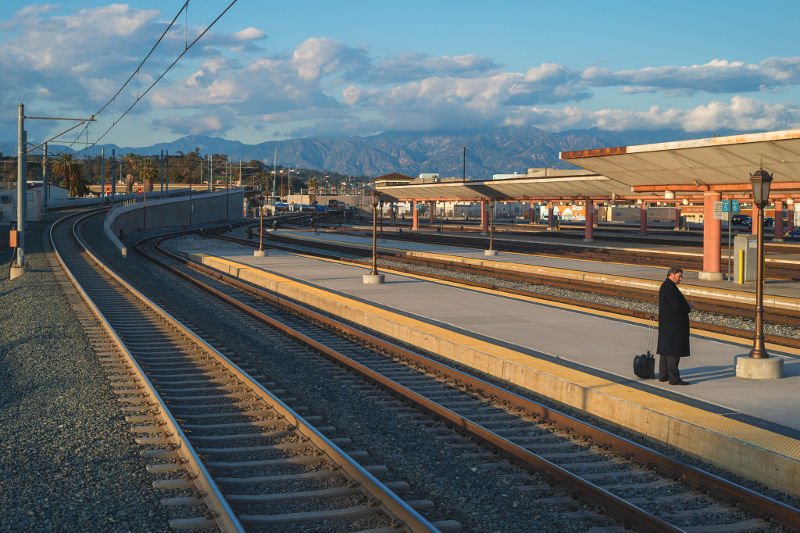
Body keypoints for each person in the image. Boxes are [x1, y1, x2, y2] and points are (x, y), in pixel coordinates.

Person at [657, 266, 692, 385]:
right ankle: (674, 378)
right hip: (674, 325)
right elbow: (676, 307)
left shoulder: (666, 286)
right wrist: (688, 307)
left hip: (667, 324)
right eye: (679, 276)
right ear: (671, 274)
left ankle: (663, 375)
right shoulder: (670, 288)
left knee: (665, 350)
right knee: (673, 351)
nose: (681, 278)